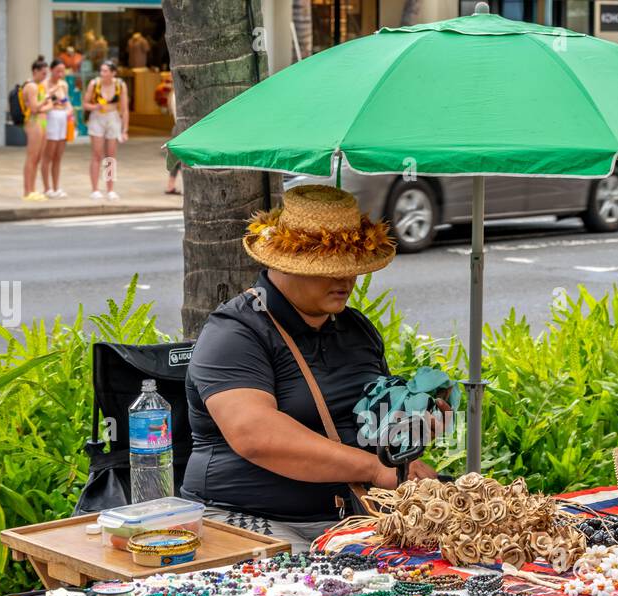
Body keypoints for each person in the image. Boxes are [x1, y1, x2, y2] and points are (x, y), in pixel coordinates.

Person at [181, 185, 439, 551]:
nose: (346, 280)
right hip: (246, 518)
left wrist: (413, 427)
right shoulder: (235, 331)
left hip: (354, 516)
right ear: (284, 266)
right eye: (329, 269)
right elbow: (256, 435)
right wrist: (374, 469)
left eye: (351, 268)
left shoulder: (356, 328)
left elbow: (369, 421)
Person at [83, 59, 127, 200]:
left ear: (113, 73)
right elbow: (85, 104)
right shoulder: (94, 84)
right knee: (97, 154)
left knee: (111, 156)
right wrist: (94, 107)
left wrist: (124, 129)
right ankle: (95, 189)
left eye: (105, 71)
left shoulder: (120, 85)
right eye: (101, 70)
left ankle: (110, 189)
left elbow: (124, 109)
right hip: (97, 118)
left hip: (113, 118)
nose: (102, 73)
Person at [19, 58, 51, 201]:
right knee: (32, 157)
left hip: (42, 121)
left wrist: (43, 105)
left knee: (38, 157)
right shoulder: (31, 86)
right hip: (33, 122)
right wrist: (44, 103)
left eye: (46, 73)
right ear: (35, 72)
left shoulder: (40, 86)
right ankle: (27, 190)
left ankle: (33, 189)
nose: (45, 76)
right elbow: (34, 108)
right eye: (43, 73)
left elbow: (49, 106)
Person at [40, 58, 71, 197]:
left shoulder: (63, 85)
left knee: (58, 155)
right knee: (49, 154)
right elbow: (42, 102)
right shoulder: (45, 84)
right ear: (51, 70)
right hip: (50, 117)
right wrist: (51, 94)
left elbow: (67, 102)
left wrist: (69, 111)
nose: (60, 74)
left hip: (62, 117)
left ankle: (56, 186)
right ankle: (47, 188)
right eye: (58, 71)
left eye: (62, 71)